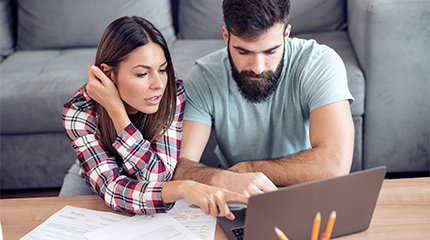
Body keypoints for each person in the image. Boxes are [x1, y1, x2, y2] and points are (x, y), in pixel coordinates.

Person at [59, 16, 247, 219]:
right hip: (92, 178)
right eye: (142, 74)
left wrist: (179, 187)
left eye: (163, 70)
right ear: (108, 74)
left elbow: (157, 178)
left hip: (150, 182)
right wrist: (116, 111)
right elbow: (112, 189)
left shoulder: (172, 96)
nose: (159, 84)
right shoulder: (79, 109)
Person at [172, 0, 355, 197]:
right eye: (243, 52)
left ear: (286, 34)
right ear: (226, 36)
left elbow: (335, 165)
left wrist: (245, 170)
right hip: (236, 194)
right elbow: (177, 167)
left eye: (270, 51)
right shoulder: (204, 77)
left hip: (306, 190)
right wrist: (225, 179)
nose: (258, 67)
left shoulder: (319, 63)